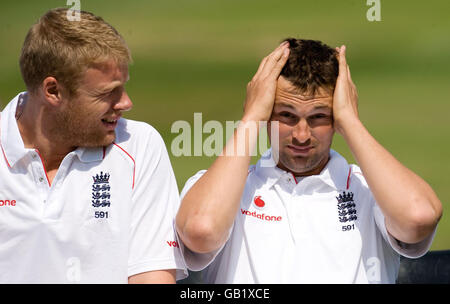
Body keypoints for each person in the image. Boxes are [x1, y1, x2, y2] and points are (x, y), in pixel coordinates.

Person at [175, 38, 443, 283]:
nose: (301, 135)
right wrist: (251, 117)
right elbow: (202, 230)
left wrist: (351, 122)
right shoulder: (222, 188)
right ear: (266, 112)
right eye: (287, 116)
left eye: (318, 117)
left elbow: (418, 217)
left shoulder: (370, 190)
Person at [0, 8, 186, 283]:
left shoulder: (140, 146)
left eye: (122, 86)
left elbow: (152, 277)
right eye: (107, 92)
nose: (126, 103)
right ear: (53, 91)